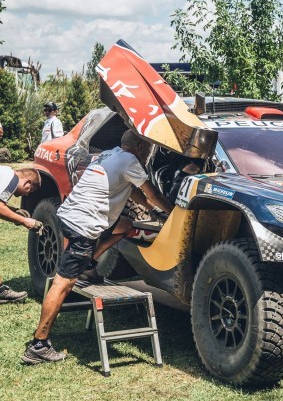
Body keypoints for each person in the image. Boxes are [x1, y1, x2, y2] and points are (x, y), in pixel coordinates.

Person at [22, 130, 174, 365]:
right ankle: (39, 344)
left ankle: (90, 263)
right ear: (142, 148)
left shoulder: (110, 154)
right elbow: (151, 192)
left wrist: (152, 211)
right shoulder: (131, 160)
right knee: (64, 283)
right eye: (148, 148)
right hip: (84, 226)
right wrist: (173, 213)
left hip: (69, 215)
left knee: (124, 226)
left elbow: (133, 190)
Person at [0, 167, 42, 302]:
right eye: (30, 190)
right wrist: (24, 221)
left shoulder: (5, 172)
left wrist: (14, 211)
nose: (27, 195)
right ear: (27, 182)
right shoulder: (12, 179)